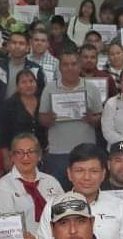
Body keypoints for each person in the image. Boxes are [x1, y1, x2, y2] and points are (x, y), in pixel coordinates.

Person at [35, 143, 123, 239]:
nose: (87, 177)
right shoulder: (53, 206)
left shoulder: (120, 207)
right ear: (69, 173)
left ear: (103, 174)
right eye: (80, 171)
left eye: (94, 171)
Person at [38, 50, 104, 188]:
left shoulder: (91, 88)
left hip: (86, 152)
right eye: (66, 64)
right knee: (58, 192)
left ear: (79, 66)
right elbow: (41, 118)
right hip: (57, 152)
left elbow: (100, 117)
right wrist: (49, 119)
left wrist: (92, 119)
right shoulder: (49, 88)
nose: (70, 68)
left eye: (73, 64)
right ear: (60, 67)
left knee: (86, 190)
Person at [0, 132, 66, 235]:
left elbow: (64, 214)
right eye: (19, 152)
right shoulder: (3, 186)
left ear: (38, 155)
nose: (25, 157)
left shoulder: (51, 181)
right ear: (12, 156)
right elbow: (5, 226)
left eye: (31, 151)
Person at [0, 29, 45, 120]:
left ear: (27, 47)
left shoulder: (36, 70)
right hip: (4, 118)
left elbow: (41, 96)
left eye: (21, 43)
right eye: (14, 43)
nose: (17, 46)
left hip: (28, 118)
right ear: (8, 46)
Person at [0, 69, 46, 168]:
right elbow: (2, 134)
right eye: (24, 82)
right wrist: (6, 157)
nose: (28, 85)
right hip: (17, 154)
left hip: (40, 154)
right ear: (17, 86)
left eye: (31, 81)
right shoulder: (9, 105)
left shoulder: (43, 102)